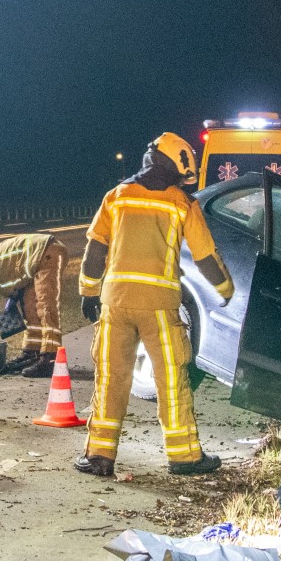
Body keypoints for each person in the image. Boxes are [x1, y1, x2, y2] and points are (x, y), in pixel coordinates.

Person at [76, 133, 235, 476]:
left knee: (111, 379)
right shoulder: (182, 203)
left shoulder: (117, 197)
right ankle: (185, 457)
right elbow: (207, 257)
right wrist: (226, 289)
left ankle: (99, 456)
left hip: (115, 304)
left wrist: (88, 292)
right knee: (171, 380)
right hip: (160, 308)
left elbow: (95, 250)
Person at [0, 233, 68, 377]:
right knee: (30, 308)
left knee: (45, 307)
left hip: (47, 251)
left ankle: (50, 359)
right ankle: (32, 352)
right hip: (39, 257)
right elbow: (13, 272)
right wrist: (13, 298)